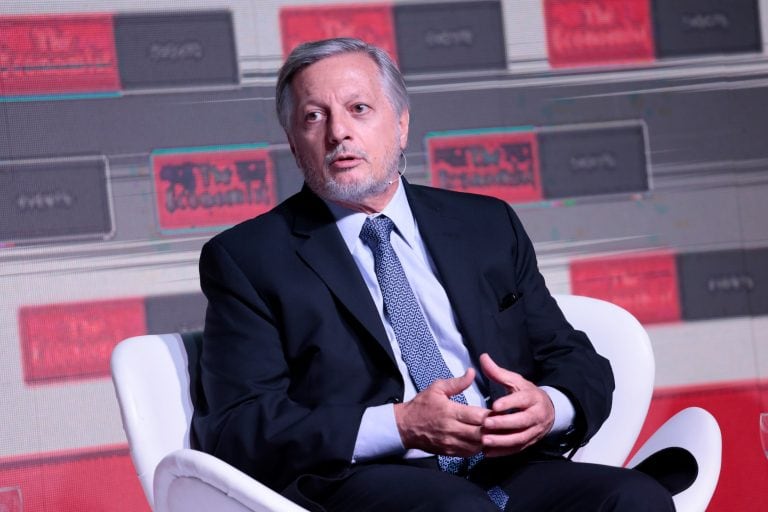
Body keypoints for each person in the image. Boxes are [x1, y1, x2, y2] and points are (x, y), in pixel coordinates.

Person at [193, 38, 675, 511]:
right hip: (366, 478)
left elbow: (570, 356)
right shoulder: (247, 258)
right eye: (314, 117)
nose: (338, 131)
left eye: (359, 108)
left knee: (637, 498)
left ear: (401, 125)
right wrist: (400, 424)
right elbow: (241, 425)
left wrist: (549, 407)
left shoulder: (486, 224)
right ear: (295, 146)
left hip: (509, 465)